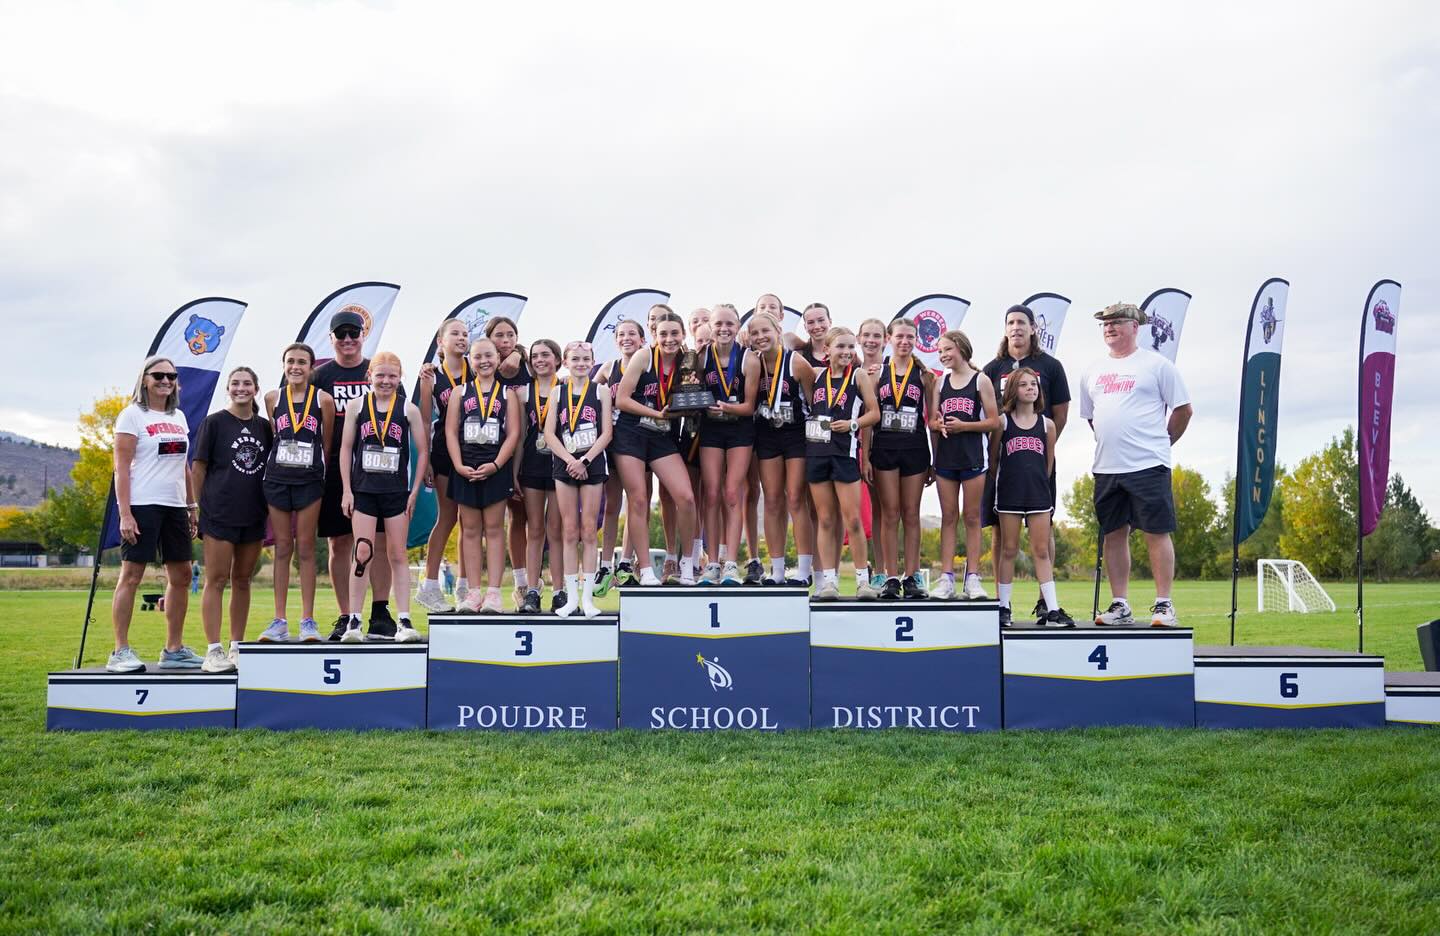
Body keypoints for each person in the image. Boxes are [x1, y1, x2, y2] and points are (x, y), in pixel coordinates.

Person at [1080, 302, 1193, 627]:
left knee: (1156, 532)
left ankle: (1163, 605)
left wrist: (1162, 442)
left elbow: (1183, 410)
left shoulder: (1158, 365)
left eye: (1117, 322)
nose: (1110, 327)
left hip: (1148, 464)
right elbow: (1092, 417)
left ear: (1136, 327)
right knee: (1113, 534)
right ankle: (1120, 605)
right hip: (1107, 467)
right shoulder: (1093, 371)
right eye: (1105, 324)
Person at [106, 356, 202, 672]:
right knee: (131, 576)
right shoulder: (131, 416)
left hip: (175, 506)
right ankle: (120, 651)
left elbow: (185, 467)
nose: (165, 380)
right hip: (143, 505)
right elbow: (120, 469)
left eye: (171, 376)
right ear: (145, 379)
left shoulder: (179, 417)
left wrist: (191, 505)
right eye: (158, 375)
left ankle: (173, 650)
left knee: (183, 576)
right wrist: (125, 514)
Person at [982, 303, 1072, 619]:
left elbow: (1060, 413)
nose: (1016, 328)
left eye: (1022, 322)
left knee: (1042, 533)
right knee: (1000, 534)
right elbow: (988, 420)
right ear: (1005, 329)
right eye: (1011, 322)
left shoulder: (1050, 366)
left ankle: (1046, 601)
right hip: (1006, 468)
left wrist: (1038, 445)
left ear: (1034, 328)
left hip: (1036, 461)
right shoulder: (993, 368)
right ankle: (1001, 602)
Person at [311, 309, 395, 639]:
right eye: (341, 333)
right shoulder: (320, 375)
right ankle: (347, 615)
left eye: (353, 333)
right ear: (331, 338)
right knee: (340, 544)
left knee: (379, 541)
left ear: (363, 335)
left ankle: (380, 612)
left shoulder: (377, 371)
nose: (348, 339)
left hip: (377, 468)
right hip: (334, 468)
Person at [338, 351, 428, 641]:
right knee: (362, 552)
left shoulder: (407, 410)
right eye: (380, 375)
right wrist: (347, 490)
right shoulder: (356, 406)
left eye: (392, 376)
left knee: (398, 555)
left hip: (396, 493)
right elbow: (345, 449)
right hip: (364, 491)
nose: (386, 381)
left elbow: (423, 451)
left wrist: (414, 492)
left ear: (400, 377)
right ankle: (354, 621)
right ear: (370, 376)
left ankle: (404, 621)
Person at [191, 366, 273, 672]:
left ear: (255, 389)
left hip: (253, 513)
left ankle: (236, 646)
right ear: (228, 388)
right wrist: (199, 508)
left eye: (247, 383)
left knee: (242, 580)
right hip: (219, 513)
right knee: (216, 579)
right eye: (235, 383)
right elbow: (198, 469)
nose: (241, 388)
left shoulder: (264, 427)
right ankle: (213, 650)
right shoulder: (214, 423)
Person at [613, 308, 700, 586]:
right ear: (654, 335)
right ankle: (647, 570)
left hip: (662, 436)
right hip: (631, 432)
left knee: (685, 497)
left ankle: (687, 563)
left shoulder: (689, 361)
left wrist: (692, 393)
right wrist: (656, 414)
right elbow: (622, 400)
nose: (669, 339)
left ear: (683, 334)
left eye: (675, 333)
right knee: (638, 500)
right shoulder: (644, 356)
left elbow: (690, 400)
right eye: (663, 334)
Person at [797, 327, 880, 601]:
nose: (846, 352)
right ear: (827, 349)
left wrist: (853, 424)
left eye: (849, 347)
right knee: (826, 519)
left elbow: (874, 413)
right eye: (840, 347)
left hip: (846, 454)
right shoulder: (817, 376)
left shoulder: (857, 376)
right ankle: (828, 582)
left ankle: (862, 582)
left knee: (853, 519)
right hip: (817, 453)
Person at [261, 343, 335, 642]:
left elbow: (326, 444)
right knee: (282, 548)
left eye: (301, 362)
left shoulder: (323, 400)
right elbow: (274, 436)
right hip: (277, 478)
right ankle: (279, 620)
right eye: (290, 361)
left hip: (310, 480)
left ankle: (307, 620)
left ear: (311, 367)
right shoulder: (272, 398)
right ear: (283, 364)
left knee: (305, 548)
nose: (295, 367)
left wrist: (316, 470)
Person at [448, 337, 523, 613]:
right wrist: (457, 465)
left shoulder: (508, 395)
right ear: (470, 360)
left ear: (498, 358)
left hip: (495, 467)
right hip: (466, 466)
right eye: (478, 356)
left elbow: (513, 434)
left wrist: (496, 464)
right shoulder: (460, 392)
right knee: (469, 530)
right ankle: (472, 592)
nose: (484, 361)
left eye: (489, 355)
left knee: (493, 530)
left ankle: (493, 593)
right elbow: (450, 431)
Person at [866, 317, 935, 600]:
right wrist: (865, 459)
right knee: (890, 513)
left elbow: (933, 419)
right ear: (888, 339)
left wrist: (935, 459)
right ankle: (891, 577)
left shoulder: (924, 375)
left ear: (916, 341)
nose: (904, 342)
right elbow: (869, 419)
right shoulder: (875, 372)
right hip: (883, 448)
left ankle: (913, 576)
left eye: (910, 338)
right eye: (900, 337)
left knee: (911, 513)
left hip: (915, 448)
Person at [543, 341, 613, 617]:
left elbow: (606, 432)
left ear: (593, 361)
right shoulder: (557, 393)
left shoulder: (602, 391)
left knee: (588, 531)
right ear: (566, 362)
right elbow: (549, 434)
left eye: (586, 359)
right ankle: (570, 598)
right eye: (576, 359)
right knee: (569, 531)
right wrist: (571, 461)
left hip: (592, 464)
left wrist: (585, 460)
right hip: (564, 465)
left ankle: (588, 599)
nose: (581, 363)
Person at [928, 331, 998, 600]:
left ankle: (973, 578)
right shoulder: (939, 382)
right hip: (946, 458)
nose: (943, 355)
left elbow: (994, 421)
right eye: (940, 351)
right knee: (948, 517)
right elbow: (932, 421)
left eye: (947, 349)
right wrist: (939, 425)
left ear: (961, 347)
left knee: (972, 518)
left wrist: (964, 426)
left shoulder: (981, 380)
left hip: (972, 458)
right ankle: (946, 578)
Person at [749, 309, 814, 586]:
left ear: (778, 332)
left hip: (796, 435)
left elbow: (815, 404)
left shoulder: (796, 363)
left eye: (766, 331)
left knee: (796, 499)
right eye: (755, 333)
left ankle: (803, 570)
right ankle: (776, 570)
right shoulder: (752, 363)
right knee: (772, 500)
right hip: (767, 436)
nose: (761, 337)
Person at [698, 304, 760, 585]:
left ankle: (732, 563)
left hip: (739, 431)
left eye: (730, 324)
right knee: (711, 494)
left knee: (733, 493)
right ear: (710, 326)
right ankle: (712, 563)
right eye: (718, 324)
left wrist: (724, 407)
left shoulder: (749, 359)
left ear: (738, 327)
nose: (724, 329)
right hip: (710, 430)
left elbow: (749, 407)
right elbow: (690, 394)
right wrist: (702, 406)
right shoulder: (700, 358)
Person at [415, 316, 471, 613]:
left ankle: (464, 586)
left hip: (476, 450)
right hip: (443, 453)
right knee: (448, 517)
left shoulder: (477, 369)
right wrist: (424, 462)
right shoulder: (431, 376)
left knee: (470, 520)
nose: (462, 338)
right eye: (455, 334)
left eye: (465, 333)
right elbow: (425, 419)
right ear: (441, 342)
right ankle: (430, 585)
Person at [486, 316, 533, 608]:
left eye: (511, 335)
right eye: (499, 335)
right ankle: (476, 589)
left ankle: (526, 586)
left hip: (526, 450)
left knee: (524, 517)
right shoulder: (481, 365)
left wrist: (520, 352)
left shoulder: (525, 364)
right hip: (488, 450)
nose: (506, 340)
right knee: (483, 523)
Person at [596, 318, 646, 590]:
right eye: (621, 334)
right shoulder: (609, 368)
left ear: (642, 340)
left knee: (638, 501)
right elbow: (586, 396)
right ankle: (605, 565)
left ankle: (626, 562)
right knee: (612, 504)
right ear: (616, 340)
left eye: (632, 334)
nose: (626, 338)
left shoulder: (647, 365)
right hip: (612, 440)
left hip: (640, 440)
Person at [515, 338, 564, 613]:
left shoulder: (567, 387)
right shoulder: (523, 393)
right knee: (534, 530)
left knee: (555, 530)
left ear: (557, 359)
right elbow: (521, 434)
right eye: (535, 356)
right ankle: (532, 591)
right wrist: (514, 473)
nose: (540, 360)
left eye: (546, 355)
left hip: (560, 466)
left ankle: (559, 591)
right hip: (532, 465)